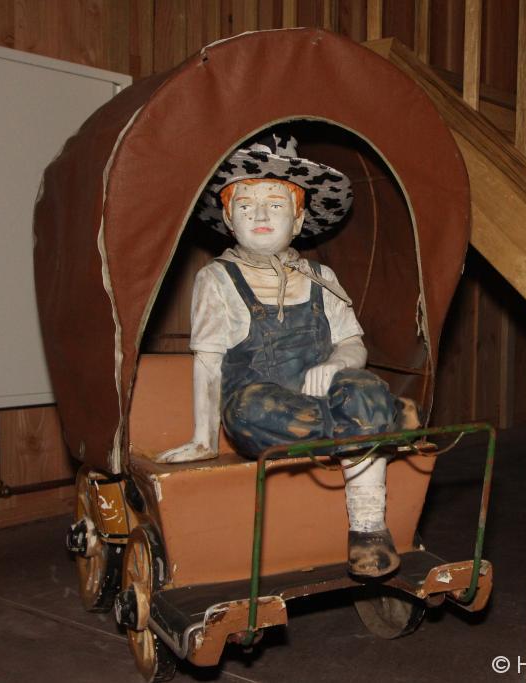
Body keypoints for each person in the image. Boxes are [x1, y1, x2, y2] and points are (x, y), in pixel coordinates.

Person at [156, 135, 408, 578]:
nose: (260, 215)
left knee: (364, 383)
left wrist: (337, 363)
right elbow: (209, 363)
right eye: (245, 205)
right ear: (229, 219)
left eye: (275, 204)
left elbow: (354, 344)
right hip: (267, 408)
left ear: (298, 219)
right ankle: (377, 422)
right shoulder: (216, 280)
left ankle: (368, 530)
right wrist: (203, 439)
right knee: (255, 410)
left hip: (321, 399)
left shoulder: (321, 276)